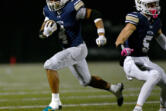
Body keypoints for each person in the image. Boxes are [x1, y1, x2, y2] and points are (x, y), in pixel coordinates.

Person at [39, 0, 124, 110]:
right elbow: (42, 32)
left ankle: (55, 102)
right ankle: (114, 88)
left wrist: (101, 34)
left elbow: (95, 14)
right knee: (86, 81)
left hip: (78, 48)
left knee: (49, 65)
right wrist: (45, 33)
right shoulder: (48, 10)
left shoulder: (71, 7)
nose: (52, 2)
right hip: (68, 50)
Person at [115, 0, 166, 111]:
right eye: (151, 5)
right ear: (140, 5)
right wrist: (123, 49)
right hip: (130, 59)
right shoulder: (137, 17)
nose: (154, 7)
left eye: (155, 4)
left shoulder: (156, 21)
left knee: (165, 82)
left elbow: (160, 38)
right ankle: (138, 109)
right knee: (154, 75)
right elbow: (122, 36)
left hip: (145, 59)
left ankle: (163, 108)